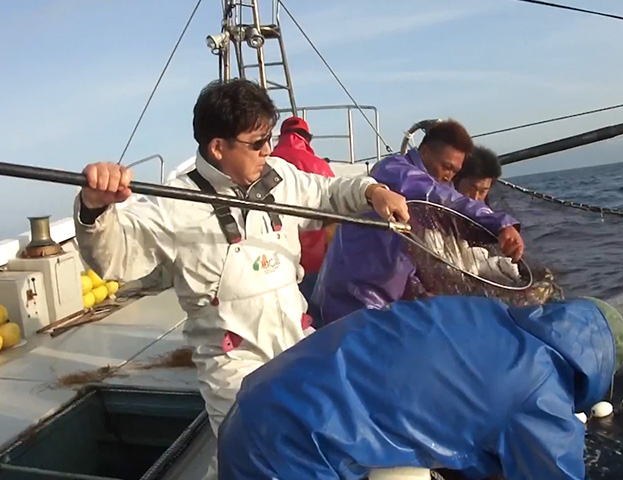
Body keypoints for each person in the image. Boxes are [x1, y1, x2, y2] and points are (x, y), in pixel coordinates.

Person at [73, 78, 409, 480]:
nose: (268, 150)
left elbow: (330, 193)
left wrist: (372, 191)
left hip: (295, 342)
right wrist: (94, 209)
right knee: (259, 458)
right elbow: (115, 258)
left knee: (331, 438)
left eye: (269, 138)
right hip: (234, 367)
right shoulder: (173, 204)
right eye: (257, 142)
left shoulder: (281, 177)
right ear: (218, 147)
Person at [218, 296, 623, 480]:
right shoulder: (542, 397)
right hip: (284, 446)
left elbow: (450, 409)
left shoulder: (484, 314)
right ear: (598, 367)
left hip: (263, 397)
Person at [312, 120, 525, 326]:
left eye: (455, 172)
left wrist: (421, 292)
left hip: (386, 298)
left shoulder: (439, 184)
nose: (449, 175)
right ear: (423, 153)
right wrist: (498, 223)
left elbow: (414, 251)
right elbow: (438, 197)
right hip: (353, 296)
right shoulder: (393, 170)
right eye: (446, 166)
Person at [271, 116, 335, 309]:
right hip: (314, 261)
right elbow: (333, 213)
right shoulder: (319, 166)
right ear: (307, 138)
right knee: (316, 319)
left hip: (275, 261)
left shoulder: (266, 163)